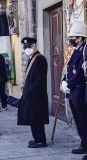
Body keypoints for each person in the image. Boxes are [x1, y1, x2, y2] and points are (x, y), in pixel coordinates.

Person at [60, 21, 87, 158]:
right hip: (73, 91)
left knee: (84, 119)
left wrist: (68, 84)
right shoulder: (75, 51)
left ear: (81, 38)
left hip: (80, 90)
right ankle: (84, 144)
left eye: (74, 37)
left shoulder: (84, 51)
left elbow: (81, 73)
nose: (71, 39)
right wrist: (64, 80)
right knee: (78, 119)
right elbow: (69, 68)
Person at [17, 37, 49, 148]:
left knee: (37, 119)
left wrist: (29, 91)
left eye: (29, 46)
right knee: (33, 118)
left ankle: (40, 141)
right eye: (25, 47)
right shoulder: (33, 58)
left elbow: (39, 80)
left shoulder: (40, 59)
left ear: (34, 45)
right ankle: (37, 139)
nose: (26, 48)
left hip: (36, 95)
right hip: (31, 95)